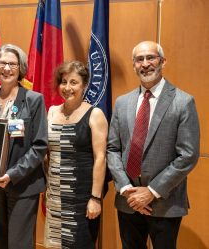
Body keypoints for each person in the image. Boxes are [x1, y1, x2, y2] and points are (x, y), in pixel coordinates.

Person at [107, 41, 200, 249]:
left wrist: (151, 191)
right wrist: (126, 188)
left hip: (164, 202)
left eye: (151, 57)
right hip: (128, 202)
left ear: (162, 61)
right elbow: (112, 149)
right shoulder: (122, 103)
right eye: (139, 59)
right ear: (134, 65)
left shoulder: (183, 102)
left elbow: (188, 155)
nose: (145, 64)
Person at [0, 44, 48, 249]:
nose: (7, 68)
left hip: (23, 184)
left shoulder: (33, 100)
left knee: (19, 243)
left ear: (21, 68)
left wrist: (12, 174)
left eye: (12, 64)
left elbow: (39, 145)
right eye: (3, 63)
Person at [43, 60, 108, 248]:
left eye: (74, 82)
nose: (67, 87)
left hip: (82, 199)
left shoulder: (95, 114)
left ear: (84, 85)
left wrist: (95, 198)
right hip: (55, 195)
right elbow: (46, 153)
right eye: (63, 82)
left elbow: (101, 158)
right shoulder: (52, 111)